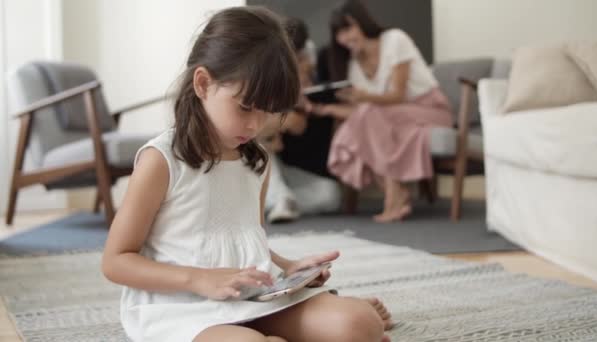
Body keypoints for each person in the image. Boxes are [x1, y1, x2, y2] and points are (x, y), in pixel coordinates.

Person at [101, 6, 391, 342]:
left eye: (267, 111)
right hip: (181, 306)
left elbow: (245, 238)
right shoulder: (161, 161)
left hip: (250, 299)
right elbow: (116, 261)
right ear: (203, 83)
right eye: (244, 107)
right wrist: (200, 279)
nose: (255, 124)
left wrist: (288, 268)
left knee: (360, 322)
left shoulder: (257, 162)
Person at [314, 0, 453, 223]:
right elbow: (362, 111)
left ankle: (393, 194)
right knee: (359, 124)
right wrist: (327, 108)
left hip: (429, 109)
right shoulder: (353, 65)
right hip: (390, 117)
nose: (345, 38)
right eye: (339, 33)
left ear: (362, 23)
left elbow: (397, 95)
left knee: (367, 117)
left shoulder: (395, 40)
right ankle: (395, 192)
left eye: (348, 28)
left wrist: (364, 97)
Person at [260, 17, 342, 223]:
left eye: (297, 55)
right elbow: (255, 126)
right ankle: (278, 199)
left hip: (286, 160)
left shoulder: (307, 59)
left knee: (331, 195)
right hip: (262, 153)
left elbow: (298, 126)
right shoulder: (260, 62)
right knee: (258, 145)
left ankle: (277, 201)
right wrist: (282, 120)